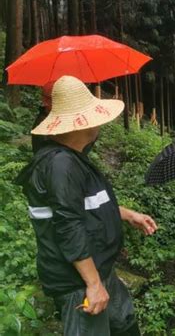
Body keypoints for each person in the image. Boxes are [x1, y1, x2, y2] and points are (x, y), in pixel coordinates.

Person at [15, 76, 157, 336]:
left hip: (100, 268)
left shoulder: (72, 159)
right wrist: (92, 284)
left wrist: (128, 215)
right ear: (79, 124)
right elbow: (68, 224)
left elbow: (88, 208)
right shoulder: (61, 165)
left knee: (125, 324)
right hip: (79, 282)